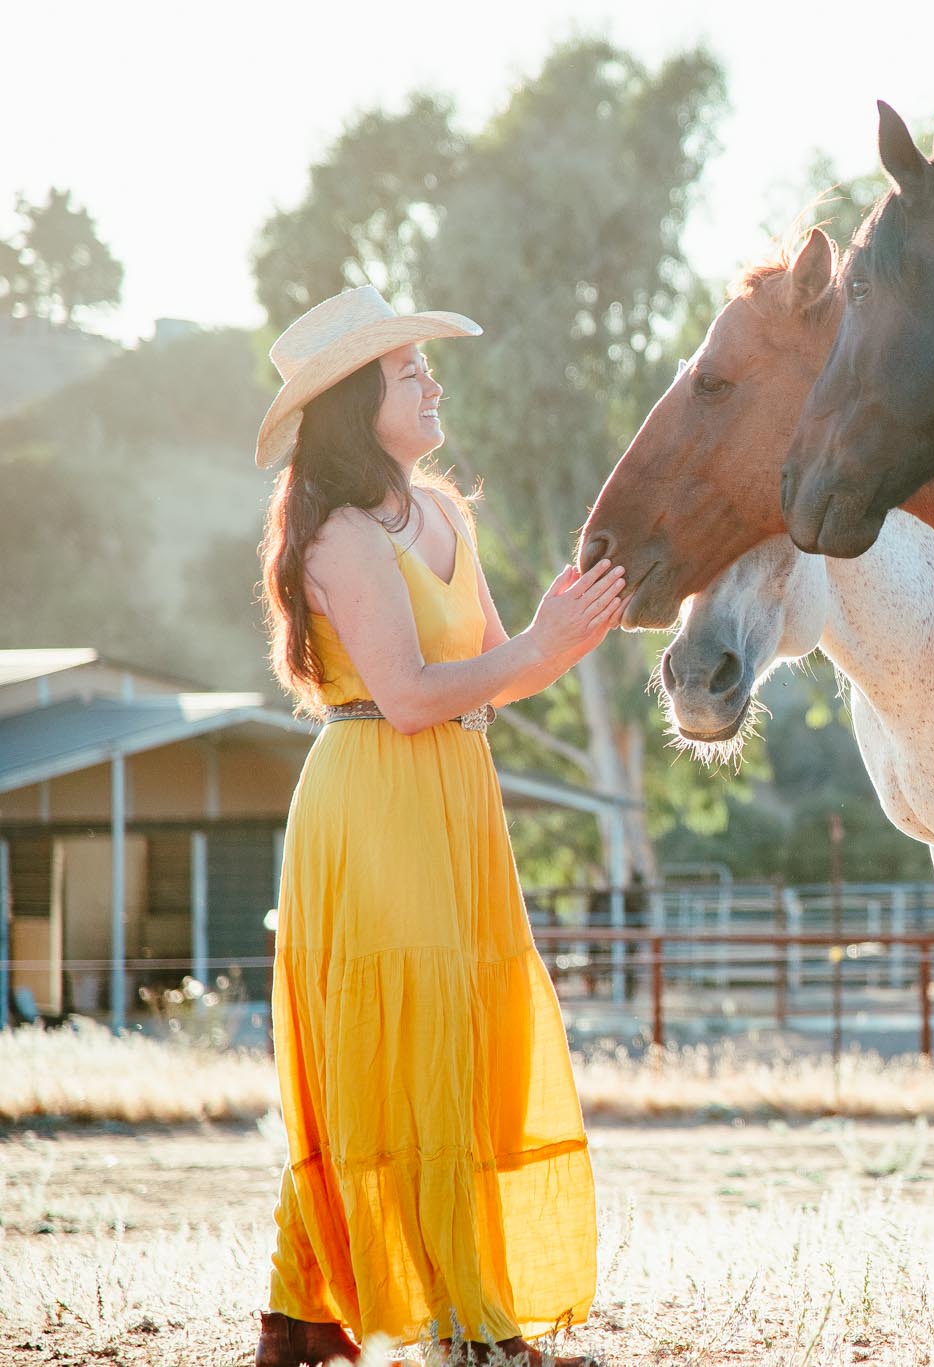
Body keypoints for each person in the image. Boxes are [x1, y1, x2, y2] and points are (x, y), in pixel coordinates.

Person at [252, 285, 626, 1365]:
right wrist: (532, 645)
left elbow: (497, 677)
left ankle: (305, 1313)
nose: (429, 379)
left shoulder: (445, 513)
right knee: (405, 1042)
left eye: (423, 365)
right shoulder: (337, 535)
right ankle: (467, 1318)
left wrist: (578, 624)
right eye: (406, 369)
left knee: (459, 1034)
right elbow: (414, 693)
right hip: (376, 794)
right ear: (353, 405)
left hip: (456, 793)